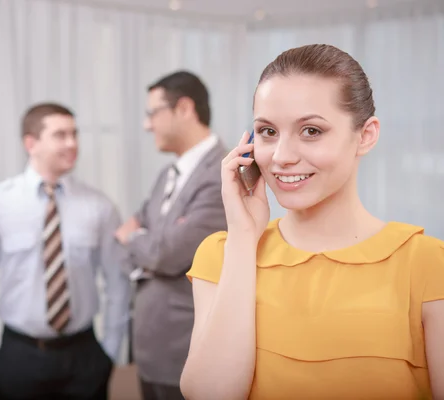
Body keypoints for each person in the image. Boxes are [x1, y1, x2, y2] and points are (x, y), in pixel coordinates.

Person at [181, 44, 444, 399]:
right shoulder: (221, 254)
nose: (282, 157)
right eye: (268, 132)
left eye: (311, 131)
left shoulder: (427, 264)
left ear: (365, 135)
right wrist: (243, 238)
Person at [0, 103, 132, 400]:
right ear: (31, 143)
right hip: (18, 357)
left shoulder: (100, 206)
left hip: (85, 356)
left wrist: (110, 351)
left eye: (75, 134)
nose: (72, 143)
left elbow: (117, 283)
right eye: (60, 135)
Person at [115, 71, 227, 400]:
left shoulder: (223, 173)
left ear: (184, 109)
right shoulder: (168, 173)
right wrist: (144, 243)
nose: (147, 125)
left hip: (187, 350)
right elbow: (138, 233)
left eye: (153, 113)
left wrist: (135, 240)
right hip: (153, 351)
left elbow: (166, 254)